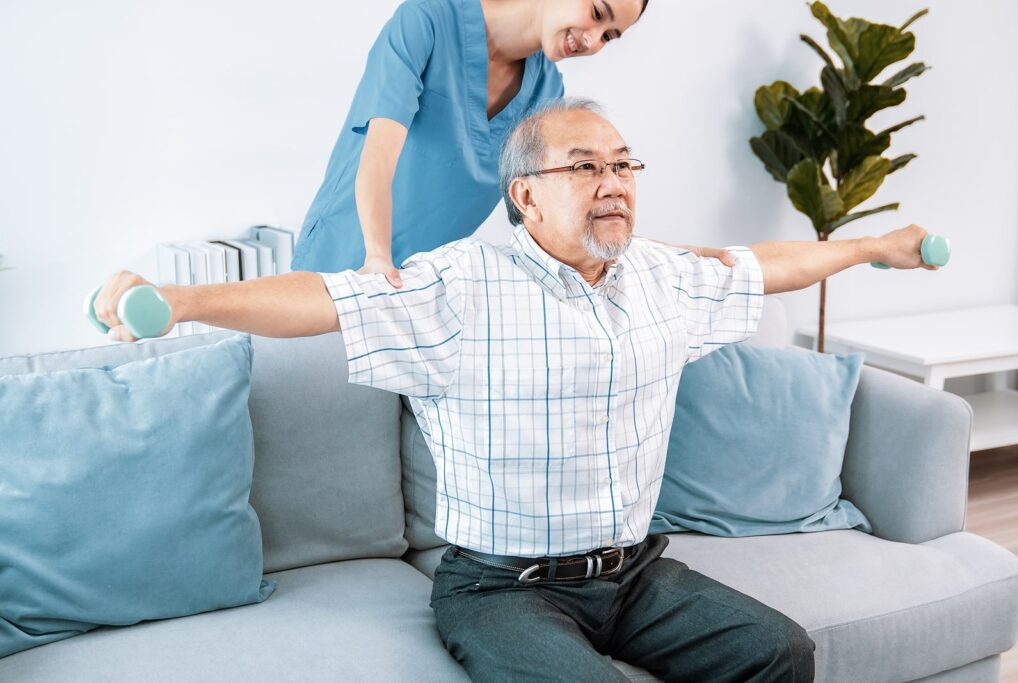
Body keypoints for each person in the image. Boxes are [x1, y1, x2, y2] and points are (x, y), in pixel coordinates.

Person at [95, 98, 940, 681]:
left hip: (639, 575)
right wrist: (182, 303)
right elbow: (323, 296)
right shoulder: (460, 284)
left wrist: (874, 246)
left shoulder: (659, 276)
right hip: (503, 587)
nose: (614, 182)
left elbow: (767, 265)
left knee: (779, 651)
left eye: (623, 164)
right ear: (525, 195)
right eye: (585, 167)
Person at [290, 0, 707, 286]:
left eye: (609, 36)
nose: (592, 39)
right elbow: (377, 157)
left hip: (422, 286)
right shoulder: (427, 20)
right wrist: (377, 258)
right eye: (597, 13)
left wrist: (660, 256)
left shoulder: (546, 92)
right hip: (346, 256)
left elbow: (562, 208)